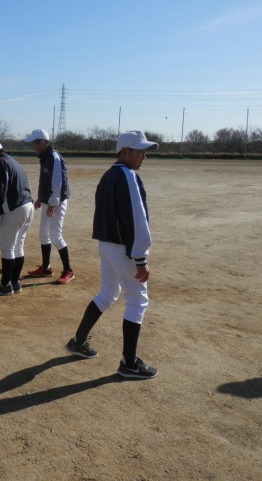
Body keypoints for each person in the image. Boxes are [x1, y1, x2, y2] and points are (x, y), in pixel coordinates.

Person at [64, 130, 159, 379]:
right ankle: (129, 363)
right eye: (140, 151)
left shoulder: (109, 175)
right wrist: (141, 258)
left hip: (106, 245)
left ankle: (78, 342)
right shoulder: (128, 175)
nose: (144, 156)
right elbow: (136, 220)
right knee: (137, 300)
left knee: (108, 293)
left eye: (145, 152)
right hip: (123, 248)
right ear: (124, 152)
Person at [0, 140, 34, 296]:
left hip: (15, 209)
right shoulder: (13, 161)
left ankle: (5, 285)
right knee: (18, 246)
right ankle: (15, 282)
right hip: (28, 206)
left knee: (7, 247)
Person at [24, 128, 74, 284]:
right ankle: (46, 267)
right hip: (49, 202)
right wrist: (41, 198)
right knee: (43, 235)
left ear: (42, 142)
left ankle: (68, 270)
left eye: (34, 144)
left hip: (56, 203)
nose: (33, 147)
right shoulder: (45, 157)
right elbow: (46, 182)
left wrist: (52, 204)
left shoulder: (54, 158)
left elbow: (57, 183)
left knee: (55, 236)